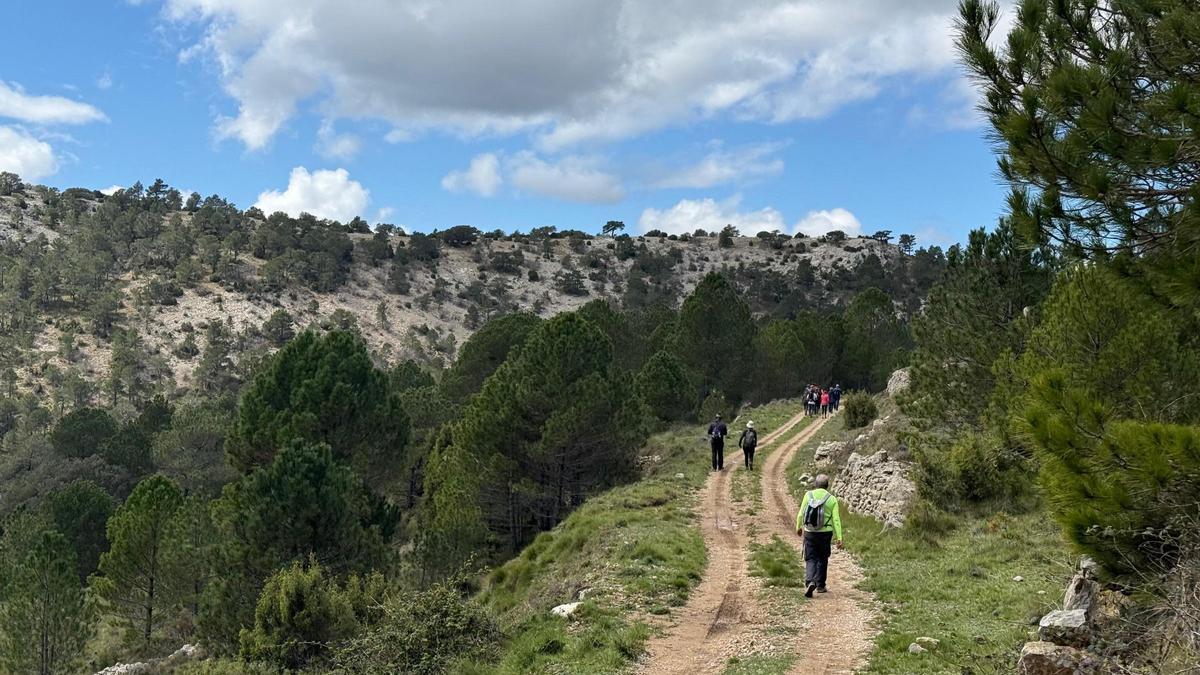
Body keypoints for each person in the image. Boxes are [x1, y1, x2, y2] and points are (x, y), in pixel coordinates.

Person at [796, 473, 843, 598]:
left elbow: (801, 513)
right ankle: (820, 585)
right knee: (823, 557)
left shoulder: (808, 495)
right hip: (825, 533)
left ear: (815, 484)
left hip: (810, 531)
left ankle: (810, 581)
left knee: (811, 558)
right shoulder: (832, 499)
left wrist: (798, 527)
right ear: (827, 485)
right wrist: (839, 537)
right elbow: (836, 520)